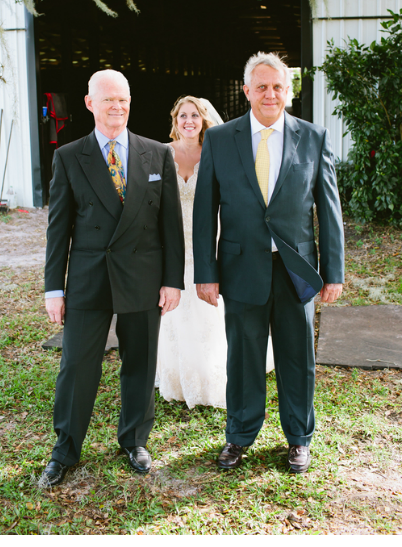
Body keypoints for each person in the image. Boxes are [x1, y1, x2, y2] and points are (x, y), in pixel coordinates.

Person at [192, 52, 345, 475]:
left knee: (298, 358)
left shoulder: (313, 137)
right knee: (243, 357)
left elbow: (328, 210)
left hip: (297, 270)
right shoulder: (221, 139)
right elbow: (204, 211)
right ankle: (239, 437)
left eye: (278, 86)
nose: (270, 94)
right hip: (240, 269)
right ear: (246, 91)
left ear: (289, 92)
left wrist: (333, 272)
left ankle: (299, 439)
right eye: (261, 87)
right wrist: (205, 273)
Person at [40, 69, 185, 487]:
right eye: (108, 100)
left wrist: (171, 280)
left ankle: (135, 440)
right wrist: (55, 287)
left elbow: (170, 227)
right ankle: (64, 450)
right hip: (89, 278)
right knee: (77, 367)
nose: (117, 107)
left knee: (139, 363)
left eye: (122, 99)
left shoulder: (156, 154)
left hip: (143, 275)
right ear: (90, 104)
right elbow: (58, 230)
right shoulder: (70, 156)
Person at [155, 95, 274, 408]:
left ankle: (212, 374)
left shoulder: (215, 152)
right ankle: (180, 374)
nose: (189, 121)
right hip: (173, 242)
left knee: (209, 310)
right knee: (176, 311)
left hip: (208, 238)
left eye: (195, 115)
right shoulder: (161, 154)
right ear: (175, 120)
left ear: (203, 120)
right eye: (183, 115)